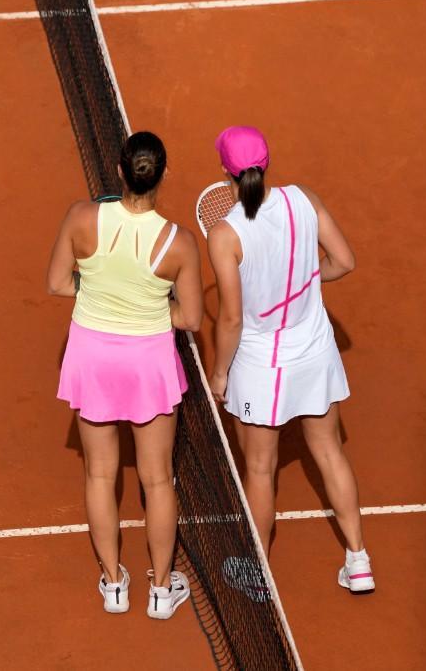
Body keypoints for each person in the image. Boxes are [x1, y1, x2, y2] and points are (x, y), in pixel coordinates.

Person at [205, 125, 374, 594]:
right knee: (329, 452)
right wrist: (302, 281)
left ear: (225, 172)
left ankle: (257, 574)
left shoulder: (225, 234)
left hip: (262, 368)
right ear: (268, 162)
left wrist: (219, 373)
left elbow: (232, 319)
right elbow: (344, 261)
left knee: (260, 470)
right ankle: (358, 560)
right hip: (315, 353)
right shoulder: (304, 198)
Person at [46, 131, 205, 618]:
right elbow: (191, 319)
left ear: (120, 171)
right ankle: (161, 591)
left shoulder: (80, 217)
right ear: (161, 176)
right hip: (147, 363)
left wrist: (98, 290)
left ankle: (114, 583)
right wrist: (153, 308)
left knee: (99, 472)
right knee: (157, 480)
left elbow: (57, 284)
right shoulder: (178, 243)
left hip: (92, 358)